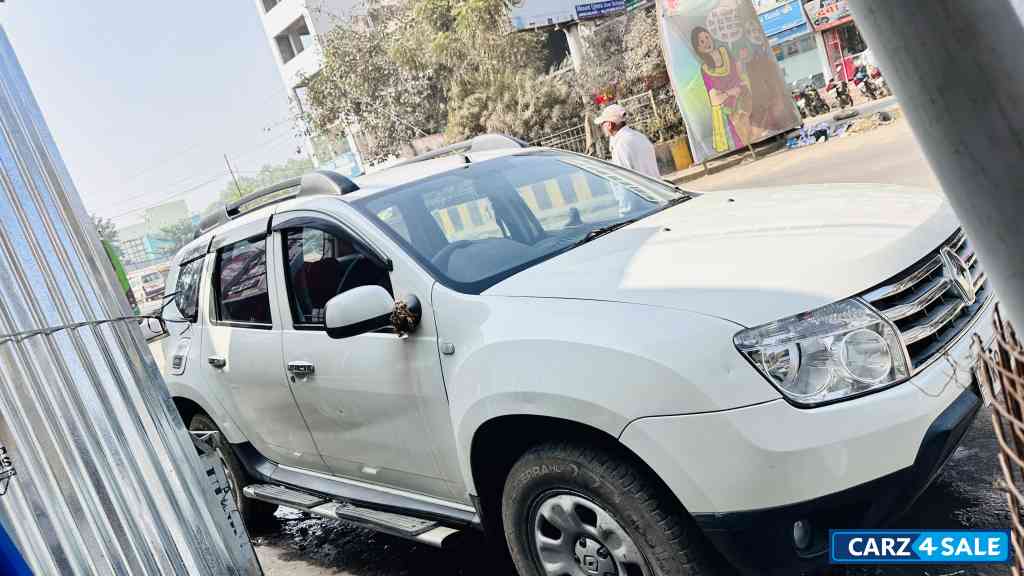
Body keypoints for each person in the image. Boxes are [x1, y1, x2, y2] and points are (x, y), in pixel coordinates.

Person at [690, 26, 750, 152]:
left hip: (743, 98)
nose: (706, 42)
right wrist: (730, 92)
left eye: (707, 37)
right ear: (698, 48)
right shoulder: (705, 69)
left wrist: (742, 84)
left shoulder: (725, 51)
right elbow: (715, 100)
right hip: (728, 111)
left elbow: (740, 73)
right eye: (701, 41)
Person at [594, 104, 660, 179]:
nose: (602, 127)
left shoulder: (621, 144)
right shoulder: (639, 136)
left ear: (609, 125)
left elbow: (624, 179)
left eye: (602, 123)